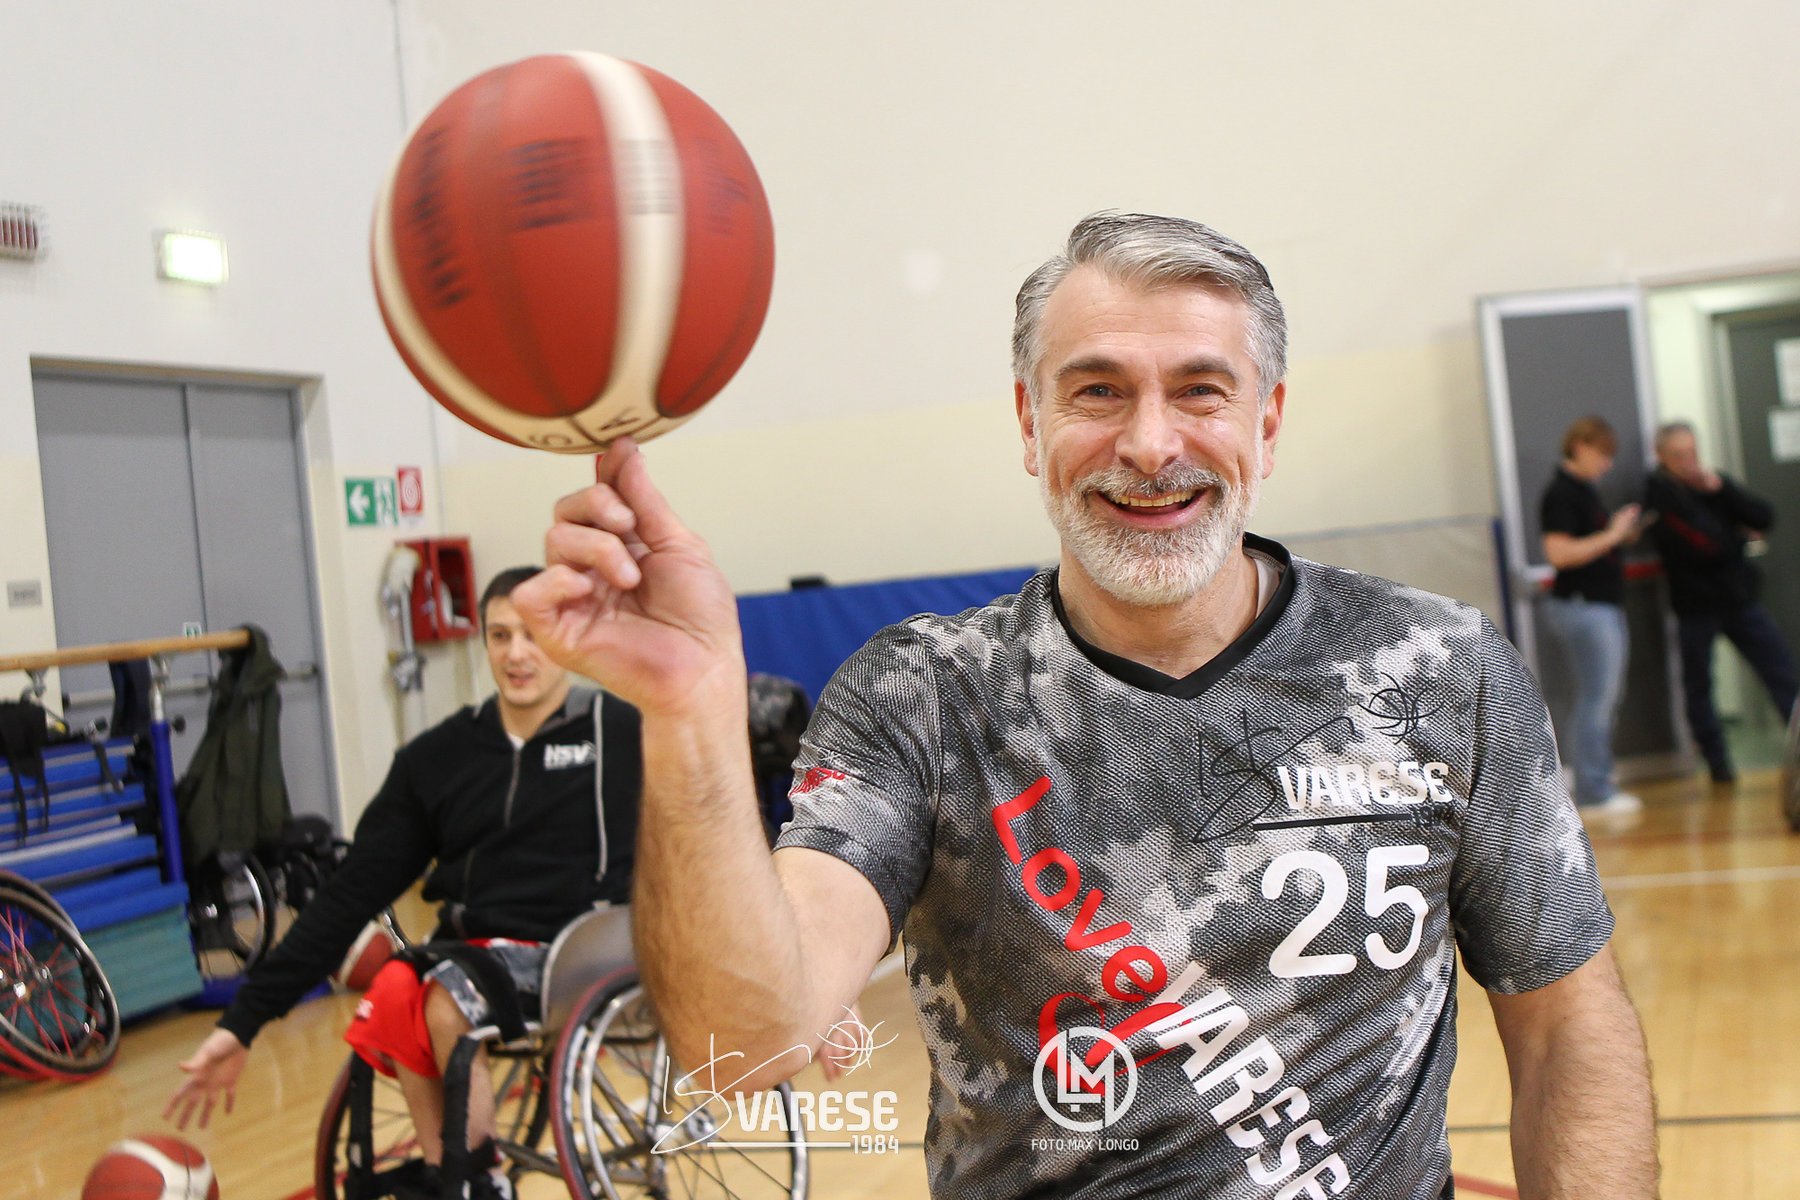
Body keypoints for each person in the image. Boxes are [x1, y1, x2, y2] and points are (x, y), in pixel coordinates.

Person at [515, 212, 1658, 1198]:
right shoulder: (923, 697)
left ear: (1267, 421)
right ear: (1030, 423)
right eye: (1097, 391)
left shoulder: (1441, 668)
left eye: (1200, 390)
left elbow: (1566, 1026)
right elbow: (745, 1043)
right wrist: (691, 711)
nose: (1150, 445)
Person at [165, 566, 642, 1200]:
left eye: (534, 635)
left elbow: (704, 828)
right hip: (475, 954)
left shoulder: (620, 732)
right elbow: (349, 895)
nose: (516, 654)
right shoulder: (438, 758)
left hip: (585, 948)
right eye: (500, 635)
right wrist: (243, 1022)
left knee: (445, 997)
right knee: (395, 985)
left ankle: (477, 1180)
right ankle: (458, 1173)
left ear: (567, 638)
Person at [1645, 421, 1798, 783]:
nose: (1688, 462)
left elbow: (1764, 517)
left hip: (1739, 600)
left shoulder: (1713, 485)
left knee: (1782, 673)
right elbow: (1703, 545)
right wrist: (1740, 538)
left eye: (1692, 452)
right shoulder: (1659, 496)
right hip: (1696, 607)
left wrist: (1722, 490)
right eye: (1679, 455)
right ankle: (1718, 765)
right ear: (1662, 457)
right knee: (1699, 686)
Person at [1538, 416, 1645, 818]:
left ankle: (1596, 781)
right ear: (1581, 447)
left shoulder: (1583, 492)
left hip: (1599, 604)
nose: (1607, 464)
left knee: (1601, 697)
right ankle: (1593, 790)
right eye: (1603, 454)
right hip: (1584, 606)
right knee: (1596, 699)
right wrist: (1613, 536)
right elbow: (1559, 554)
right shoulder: (1561, 494)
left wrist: (1618, 535)